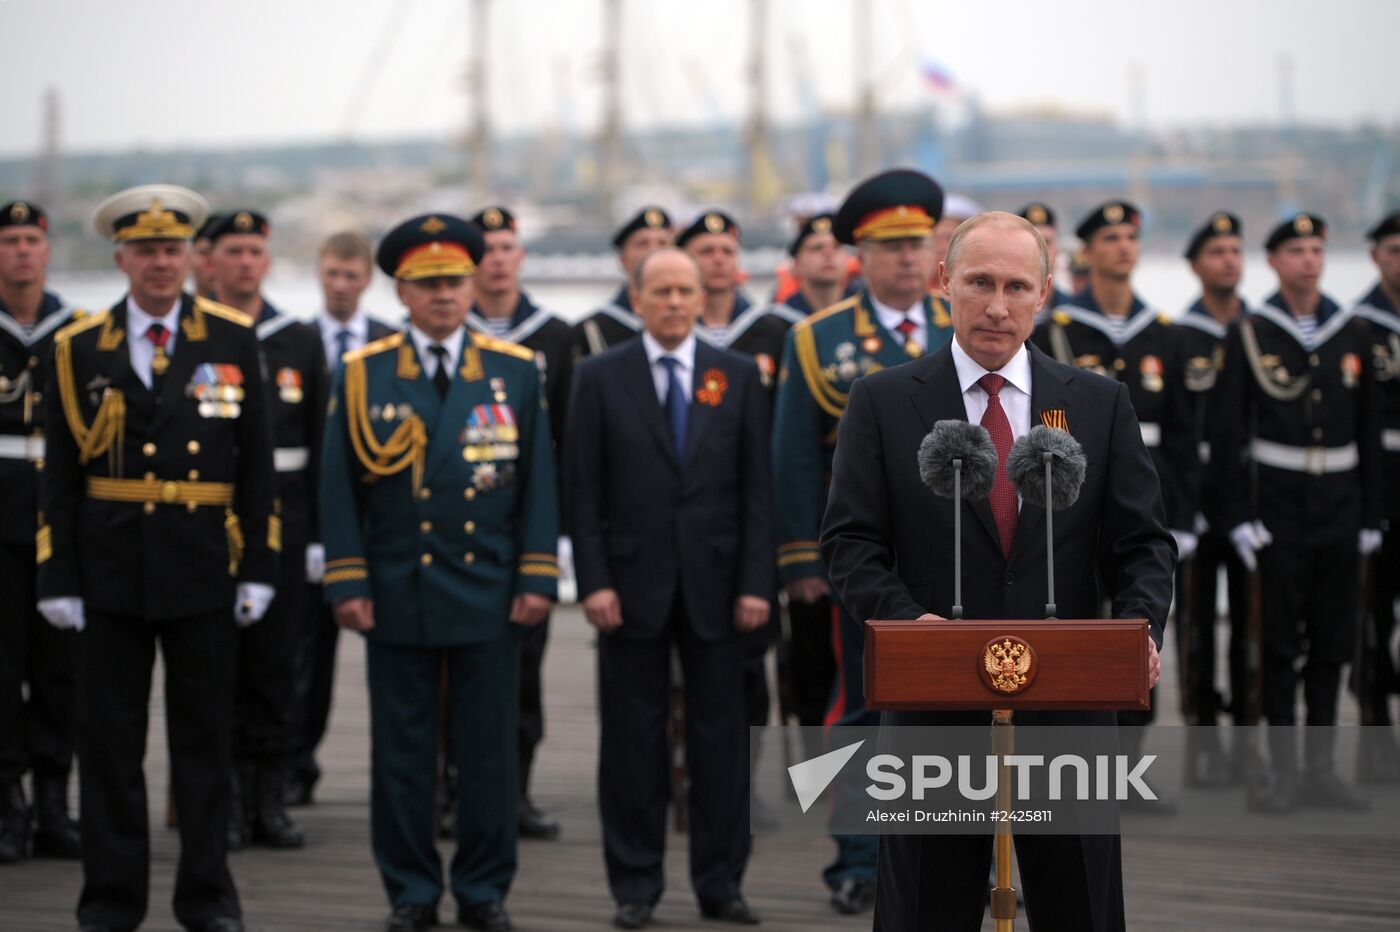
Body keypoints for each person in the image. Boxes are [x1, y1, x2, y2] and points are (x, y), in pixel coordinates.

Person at [821, 210, 1174, 932]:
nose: (997, 306)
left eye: (1017, 286)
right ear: (944, 281)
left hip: (1068, 704)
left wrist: (1140, 628)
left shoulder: (1097, 403)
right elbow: (851, 543)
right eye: (980, 282)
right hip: (933, 704)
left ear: (1044, 292)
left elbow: (1143, 543)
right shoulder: (882, 401)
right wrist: (909, 624)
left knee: (1081, 906)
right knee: (924, 908)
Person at [38, 183, 278, 932]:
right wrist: (57, 574)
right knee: (109, 746)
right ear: (120, 259)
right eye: (145, 250)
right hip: (108, 570)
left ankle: (207, 899)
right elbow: (59, 476)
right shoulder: (78, 347)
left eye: (171, 249)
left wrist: (260, 566)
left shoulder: (231, 339)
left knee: (203, 745)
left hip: (203, 565)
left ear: (190, 258)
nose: (160, 264)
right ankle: (111, 902)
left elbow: (257, 465)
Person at [321, 212, 557, 932]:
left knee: (488, 753)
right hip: (400, 587)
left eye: (454, 281)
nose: (445, 295)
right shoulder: (362, 372)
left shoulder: (514, 370)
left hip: (488, 587)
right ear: (401, 292)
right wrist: (348, 580)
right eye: (427, 284)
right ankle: (412, 890)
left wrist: (537, 576)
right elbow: (339, 487)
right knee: (403, 754)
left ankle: (484, 889)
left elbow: (538, 484)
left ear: (472, 285)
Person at [565, 247, 772, 930]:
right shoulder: (599, 375)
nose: (676, 302)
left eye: (686, 290)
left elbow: (757, 489)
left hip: (721, 589)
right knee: (632, 742)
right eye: (662, 291)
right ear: (637, 298)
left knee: (723, 743)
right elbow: (582, 490)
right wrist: (593, 581)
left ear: (701, 296)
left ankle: (722, 883)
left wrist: (756, 583)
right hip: (628, 589)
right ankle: (635, 885)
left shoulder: (736, 374)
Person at [771, 167, 952, 915]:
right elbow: (794, 456)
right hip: (865, 558)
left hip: (957, 554)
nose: (908, 258)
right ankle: (857, 858)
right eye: (891, 246)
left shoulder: (963, 326)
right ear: (861, 256)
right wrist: (801, 558)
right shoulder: (819, 339)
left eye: (917, 243)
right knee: (862, 704)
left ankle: (953, 854)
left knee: (960, 705)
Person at [1211, 213, 1383, 812]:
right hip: (1278, 511)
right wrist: (1238, 516)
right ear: (1275, 262)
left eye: (1316, 249)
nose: (1309, 259)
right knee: (1279, 645)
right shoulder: (1251, 333)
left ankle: (1320, 769)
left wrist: (1371, 516)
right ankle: (1282, 771)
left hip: (1339, 506)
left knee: (1333, 642)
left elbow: (1368, 431)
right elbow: (1228, 433)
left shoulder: (1352, 331)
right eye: (1296, 250)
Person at [1031, 201, 1193, 796]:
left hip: (1148, 493)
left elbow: (1184, 433)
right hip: (1071, 498)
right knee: (1074, 626)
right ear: (1088, 252)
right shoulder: (1057, 331)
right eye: (1110, 238)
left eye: (1130, 237)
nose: (1123, 247)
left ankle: (1128, 766)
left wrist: (1186, 515)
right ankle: (1077, 762)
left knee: (1140, 625)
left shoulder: (1165, 332)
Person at [205, 209, 326, 850]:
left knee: (278, 664)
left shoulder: (298, 339)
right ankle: (222, 800)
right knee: (216, 666)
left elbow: (321, 442)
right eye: (234, 251)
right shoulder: (197, 335)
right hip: (213, 521)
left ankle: (269, 797)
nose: (246, 262)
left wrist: (322, 537)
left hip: (287, 520)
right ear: (210, 262)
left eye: (255, 251)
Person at [467, 205, 575, 841]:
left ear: (521, 256)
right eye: (486, 249)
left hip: (526, 525)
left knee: (523, 669)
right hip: (459, 527)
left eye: (507, 246)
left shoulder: (555, 336)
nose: (498, 259)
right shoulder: (444, 332)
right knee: (452, 673)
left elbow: (567, 440)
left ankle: (516, 791)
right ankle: (451, 790)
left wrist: (558, 535)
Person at [287, 230, 395, 807]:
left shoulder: (393, 344)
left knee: (398, 659)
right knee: (308, 658)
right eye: (332, 273)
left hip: (383, 527)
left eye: (351, 275)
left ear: (368, 280)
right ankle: (296, 765)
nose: (341, 286)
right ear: (318, 274)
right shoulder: (295, 342)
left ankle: (401, 776)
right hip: (314, 528)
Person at [0, 199, 81, 864]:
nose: (22, 251)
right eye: (9, 240)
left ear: (48, 250)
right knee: (1, 670)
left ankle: (55, 803)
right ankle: (8, 804)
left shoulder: (77, 331)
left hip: (60, 525)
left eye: (31, 239)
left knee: (62, 670)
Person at [1169, 212, 1250, 785]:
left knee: (1251, 629)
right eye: (1217, 251)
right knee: (1195, 629)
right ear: (1196, 265)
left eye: (1235, 250)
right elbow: (1176, 430)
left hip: (1248, 503)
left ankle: (1247, 744)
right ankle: (1202, 747)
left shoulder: (1260, 329)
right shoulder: (1179, 336)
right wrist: (1180, 508)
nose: (1229, 260)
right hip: (1195, 501)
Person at [1352, 210, 1400, 782]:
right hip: (1385, 485)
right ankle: (1375, 728)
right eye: (1394, 250)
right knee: (1374, 615)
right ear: (1375, 256)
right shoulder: (1360, 326)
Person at [573, 206, 673, 359]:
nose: (654, 252)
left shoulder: (691, 328)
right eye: (642, 244)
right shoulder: (591, 331)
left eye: (663, 243)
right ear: (622, 259)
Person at [1018, 202, 1070, 320]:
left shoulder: (1074, 311)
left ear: (1057, 249)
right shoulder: (1001, 309)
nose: (1040, 250)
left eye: (1046, 241)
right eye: (1030, 242)